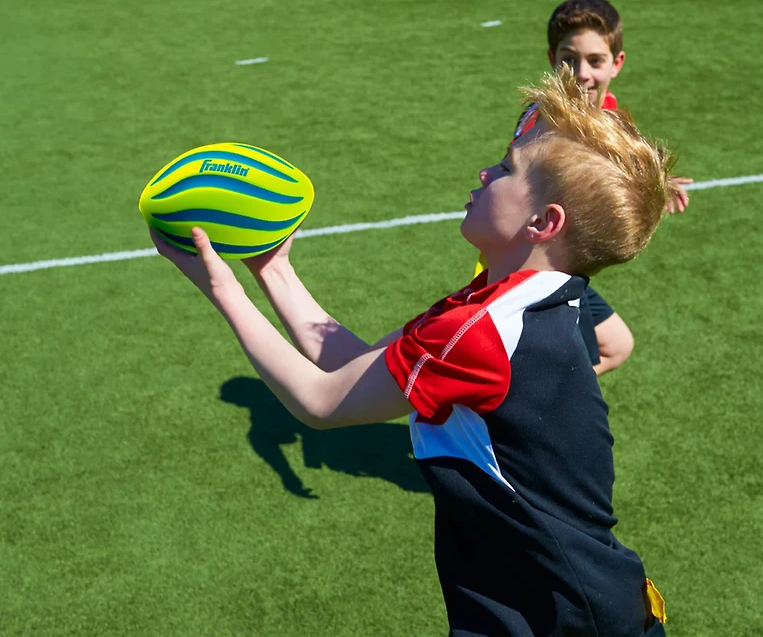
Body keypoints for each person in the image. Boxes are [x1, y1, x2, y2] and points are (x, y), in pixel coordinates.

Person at [149, 67, 669, 636]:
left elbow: (321, 401)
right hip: (568, 603)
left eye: (505, 169)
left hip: (561, 618)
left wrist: (220, 288)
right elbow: (349, 369)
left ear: (543, 222)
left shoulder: (483, 329)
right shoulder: (504, 305)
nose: (484, 172)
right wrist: (273, 270)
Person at [478, 0, 692, 375]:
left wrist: (655, 182)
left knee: (617, 345)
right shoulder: (547, 123)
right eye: (569, 59)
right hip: (536, 267)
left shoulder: (603, 112)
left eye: (595, 60)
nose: (582, 73)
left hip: (567, 264)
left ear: (616, 63)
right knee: (565, 371)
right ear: (552, 59)